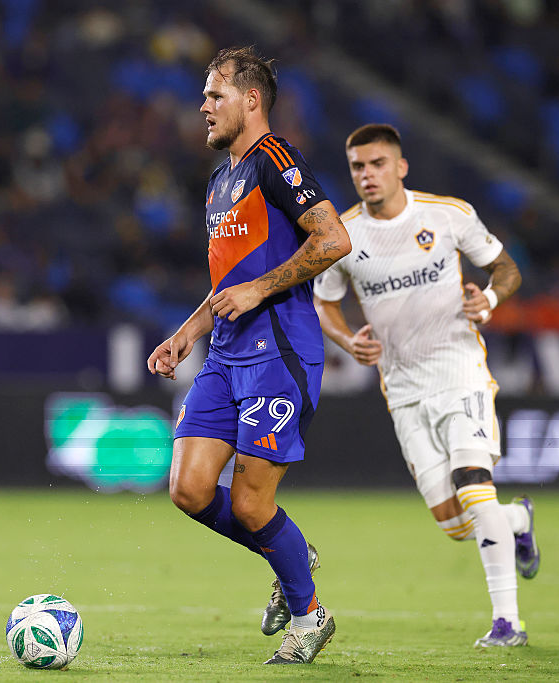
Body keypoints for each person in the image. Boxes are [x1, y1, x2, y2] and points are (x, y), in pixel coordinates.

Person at [147, 46, 351, 665]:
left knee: (250, 502)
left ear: (251, 99)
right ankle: (287, 550)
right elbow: (227, 283)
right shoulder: (219, 182)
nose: (203, 106)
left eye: (215, 94)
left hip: (278, 354)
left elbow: (334, 237)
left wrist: (262, 288)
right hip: (224, 355)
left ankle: (309, 615)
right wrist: (188, 329)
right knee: (187, 487)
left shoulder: (275, 161)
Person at [310, 123, 539, 647]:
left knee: (474, 484)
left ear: (400, 166)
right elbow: (324, 302)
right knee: (456, 523)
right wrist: (347, 341)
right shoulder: (343, 235)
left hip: (460, 371)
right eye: (358, 167)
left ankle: (508, 623)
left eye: (377, 164)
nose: (367, 175)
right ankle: (518, 520)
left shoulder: (446, 214)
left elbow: (504, 268)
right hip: (403, 388)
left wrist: (490, 299)